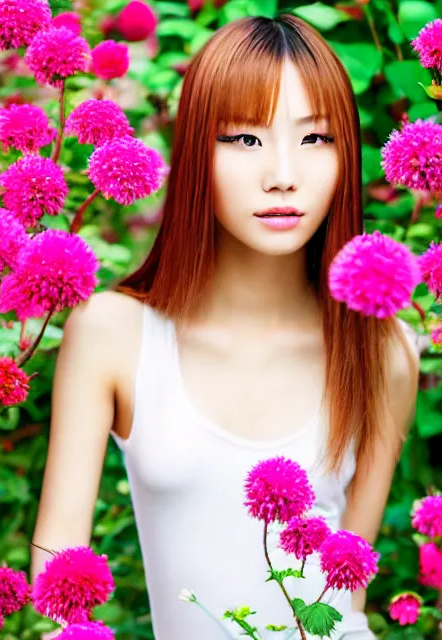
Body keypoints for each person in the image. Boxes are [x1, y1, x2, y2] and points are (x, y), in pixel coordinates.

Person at [31, 14, 420, 640]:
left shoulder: (381, 352)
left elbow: (345, 596)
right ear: (194, 153)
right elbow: (58, 584)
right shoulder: (115, 332)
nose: (283, 174)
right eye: (245, 139)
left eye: (316, 138)